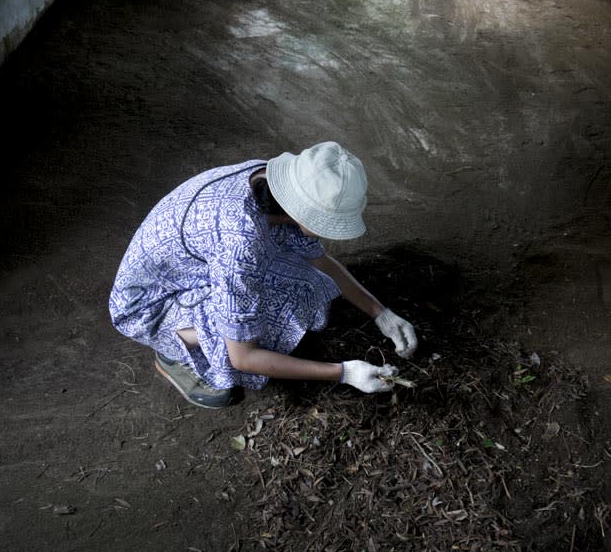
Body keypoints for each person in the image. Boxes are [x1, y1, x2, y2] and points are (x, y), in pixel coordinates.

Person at [108, 141, 418, 409]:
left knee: (310, 286)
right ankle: (177, 355)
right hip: (150, 306)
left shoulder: (273, 181)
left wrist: (382, 313)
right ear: (301, 213)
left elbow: (319, 261)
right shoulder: (241, 242)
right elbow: (245, 357)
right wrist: (343, 373)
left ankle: (197, 338)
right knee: (265, 323)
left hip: (189, 269)